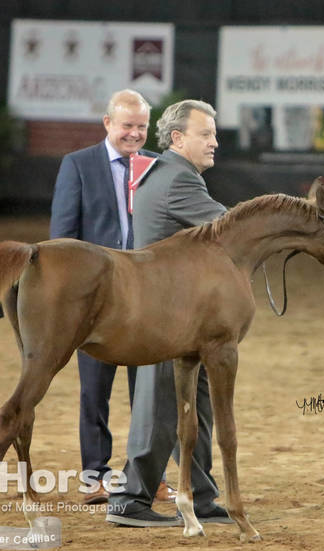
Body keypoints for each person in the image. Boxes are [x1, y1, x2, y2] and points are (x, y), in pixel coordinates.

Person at [106, 99, 230, 528]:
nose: (215, 142)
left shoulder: (168, 174)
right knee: (162, 408)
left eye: (214, 133)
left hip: (176, 317)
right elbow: (230, 231)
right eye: (206, 134)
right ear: (178, 139)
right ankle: (128, 499)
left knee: (192, 406)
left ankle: (201, 497)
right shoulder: (180, 181)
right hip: (164, 317)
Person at [49, 89, 173, 505]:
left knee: (151, 392)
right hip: (96, 301)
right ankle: (95, 475)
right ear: (107, 124)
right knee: (93, 391)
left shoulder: (159, 166)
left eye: (141, 126)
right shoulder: (78, 165)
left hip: (150, 299)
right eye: (127, 126)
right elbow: (63, 239)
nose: (134, 134)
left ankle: (147, 476)